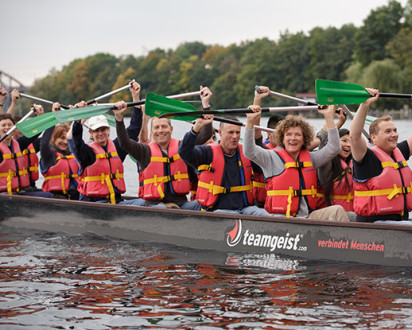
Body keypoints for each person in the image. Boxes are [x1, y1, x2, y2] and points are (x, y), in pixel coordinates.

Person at [243, 104, 349, 222]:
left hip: (306, 218)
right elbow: (249, 151)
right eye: (288, 134)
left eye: (298, 135)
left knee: (337, 210)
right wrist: (250, 121)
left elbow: (334, 148)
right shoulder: (270, 157)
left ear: (304, 139)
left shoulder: (311, 158)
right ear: (282, 138)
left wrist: (329, 117)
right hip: (280, 220)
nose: (293, 138)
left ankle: (345, 241)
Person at [112, 87, 214, 210]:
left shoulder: (182, 147)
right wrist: (119, 119)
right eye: (157, 127)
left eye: (164, 126)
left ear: (171, 130)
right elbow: (124, 143)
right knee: (163, 209)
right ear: (152, 131)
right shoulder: (144, 151)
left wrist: (205, 104)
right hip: (154, 205)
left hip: (181, 205)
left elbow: (206, 134)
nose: (161, 130)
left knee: (206, 203)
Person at [178, 107, 269, 216]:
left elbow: (264, 162)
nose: (235, 137)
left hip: (245, 209)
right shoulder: (208, 153)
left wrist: (253, 119)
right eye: (230, 132)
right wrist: (196, 128)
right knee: (227, 216)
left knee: (266, 215)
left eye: (237, 132)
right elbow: (184, 152)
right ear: (220, 133)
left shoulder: (246, 153)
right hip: (218, 211)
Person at [68, 81, 143, 204]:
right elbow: (75, 139)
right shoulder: (86, 152)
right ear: (91, 133)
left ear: (108, 130)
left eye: (103, 129)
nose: (100, 133)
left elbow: (134, 129)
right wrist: (78, 117)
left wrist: (135, 96)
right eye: (96, 130)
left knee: (142, 203)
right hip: (93, 203)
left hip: (116, 201)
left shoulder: (117, 148)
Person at [350, 89, 412, 224]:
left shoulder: (398, 152)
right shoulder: (366, 157)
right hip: (376, 225)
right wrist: (365, 105)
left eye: (395, 130)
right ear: (374, 138)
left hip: (399, 222)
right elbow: (354, 136)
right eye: (388, 131)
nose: (394, 135)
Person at [0, 106, 52, 197]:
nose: (7, 127)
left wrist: (40, 116)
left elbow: (34, 132)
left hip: (19, 192)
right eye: (3, 125)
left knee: (49, 196)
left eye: (9, 125)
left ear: (14, 128)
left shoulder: (18, 144)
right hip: (3, 195)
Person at [40, 102, 80, 199]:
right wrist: (54, 117)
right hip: (57, 197)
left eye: (67, 138)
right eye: (61, 138)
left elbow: (78, 135)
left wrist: (77, 116)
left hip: (77, 196)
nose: (65, 142)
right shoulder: (49, 155)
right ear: (54, 138)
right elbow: (44, 144)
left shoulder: (74, 154)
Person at [7, 89, 42, 193]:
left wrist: (40, 116)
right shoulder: (9, 144)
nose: (23, 129)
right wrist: (13, 102)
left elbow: (57, 136)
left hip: (30, 187)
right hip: (13, 189)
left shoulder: (32, 144)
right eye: (19, 127)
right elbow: (6, 121)